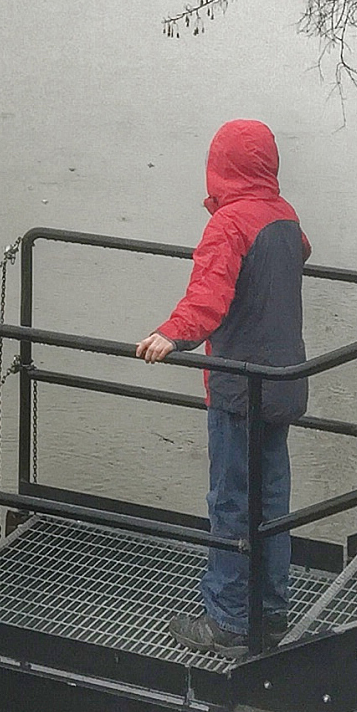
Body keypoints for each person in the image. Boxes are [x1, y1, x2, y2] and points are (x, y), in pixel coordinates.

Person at [135, 119, 309, 657]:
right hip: (281, 380)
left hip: (238, 387)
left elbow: (208, 296)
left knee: (231, 500)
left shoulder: (229, 224)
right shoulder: (284, 216)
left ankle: (229, 620)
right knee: (272, 501)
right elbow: (300, 253)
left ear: (220, 166)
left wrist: (173, 333)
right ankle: (271, 612)